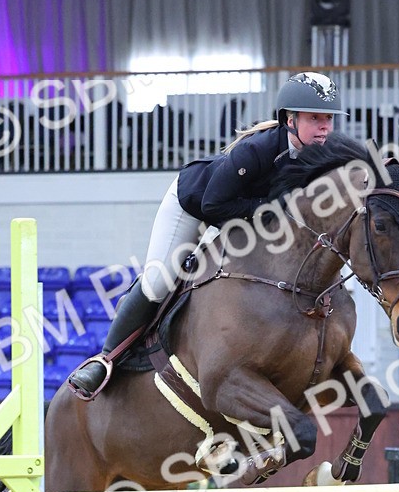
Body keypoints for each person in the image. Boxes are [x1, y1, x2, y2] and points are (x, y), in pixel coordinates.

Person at [68, 71, 344, 399]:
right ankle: (105, 359)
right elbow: (215, 205)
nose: (325, 127)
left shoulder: (322, 159)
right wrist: (271, 209)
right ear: (289, 120)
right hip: (195, 206)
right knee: (159, 281)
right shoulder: (256, 150)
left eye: (328, 118)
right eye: (315, 118)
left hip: (245, 219)